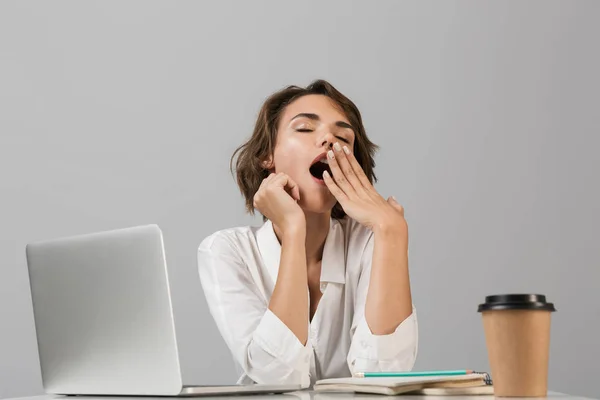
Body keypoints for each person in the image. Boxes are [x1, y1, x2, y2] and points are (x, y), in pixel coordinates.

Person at [197, 79, 417, 388]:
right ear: (266, 156)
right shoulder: (226, 250)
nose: (329, 139)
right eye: (304, 129)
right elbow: (276, 377)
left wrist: (392, 230)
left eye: (343, 137)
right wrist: (292, 229)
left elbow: (384, 378)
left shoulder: (370, 240)